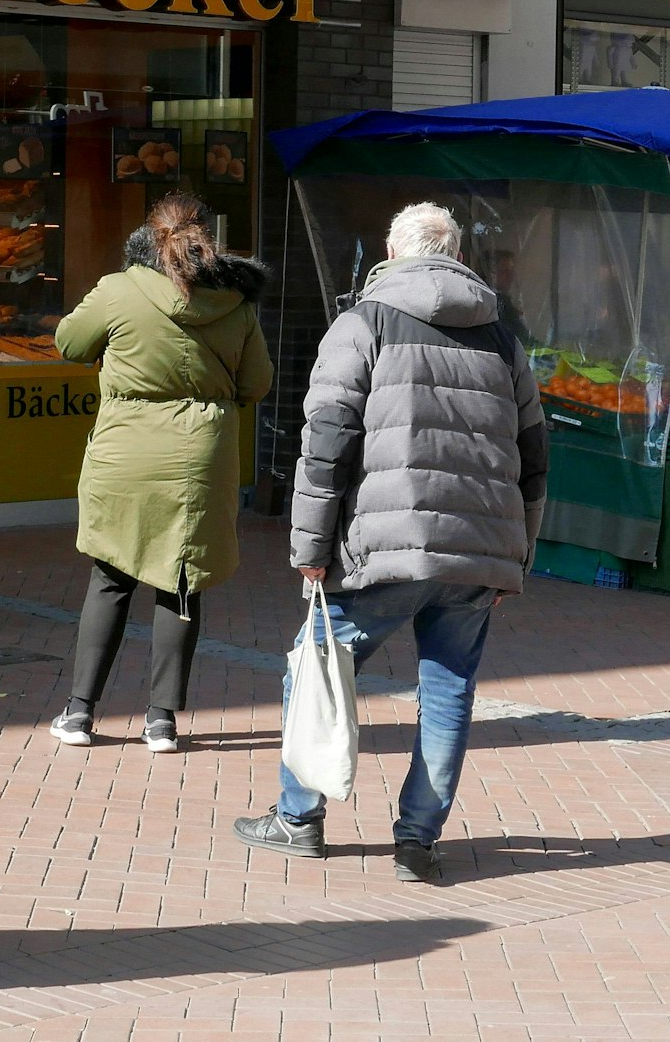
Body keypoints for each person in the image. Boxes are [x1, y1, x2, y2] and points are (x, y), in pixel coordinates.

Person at [234, 202, 547, 882]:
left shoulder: (363, 322)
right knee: (449, 689)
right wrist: (515, 556)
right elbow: (533, 451)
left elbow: (326, 442)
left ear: (390, 248)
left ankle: (298, 816)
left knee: (314, 665)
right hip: (477, 548)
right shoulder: (502, 335)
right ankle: (418, 841)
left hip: (385, 544)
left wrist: (310, 549)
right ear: (456, 252)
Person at [48, 193, 272, 754]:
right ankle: (161, 721)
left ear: (148, 242)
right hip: (200, 455)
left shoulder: (118, 290)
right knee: (181, 582)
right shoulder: (237, 304)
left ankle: (79, 714)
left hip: (127, 451)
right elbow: (257, 384)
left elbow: (69, 343)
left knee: (111, 575)